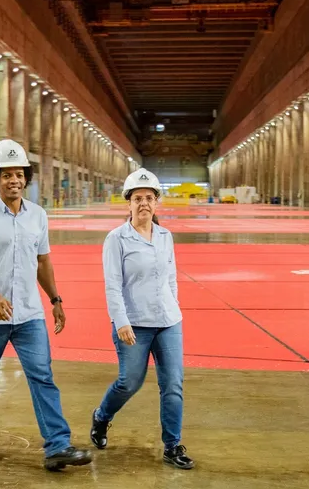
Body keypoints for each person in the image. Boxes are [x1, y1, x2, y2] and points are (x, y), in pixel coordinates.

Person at [0, 139, 92, 471]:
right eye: (6, 175)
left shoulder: (37, 216)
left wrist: (56, 299)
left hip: (29, 315)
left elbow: (43, 262)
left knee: (43, 376)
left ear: (26, 177)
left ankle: (57, 446)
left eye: (19, 174)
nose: (14, 181)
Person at [89, 168, 193, 470]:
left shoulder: (165, 236)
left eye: (149, 198)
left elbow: (171, 276)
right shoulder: (116, 239)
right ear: (129, 204)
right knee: (129, 382)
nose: (144, 203)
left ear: (157, 203)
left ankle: (172, 445)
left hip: (169, 321)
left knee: (173, 384)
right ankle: (102, 417)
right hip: (133, 324)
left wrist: (174, 303)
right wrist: (120, 321)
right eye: (138, 198)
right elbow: (112, 284)